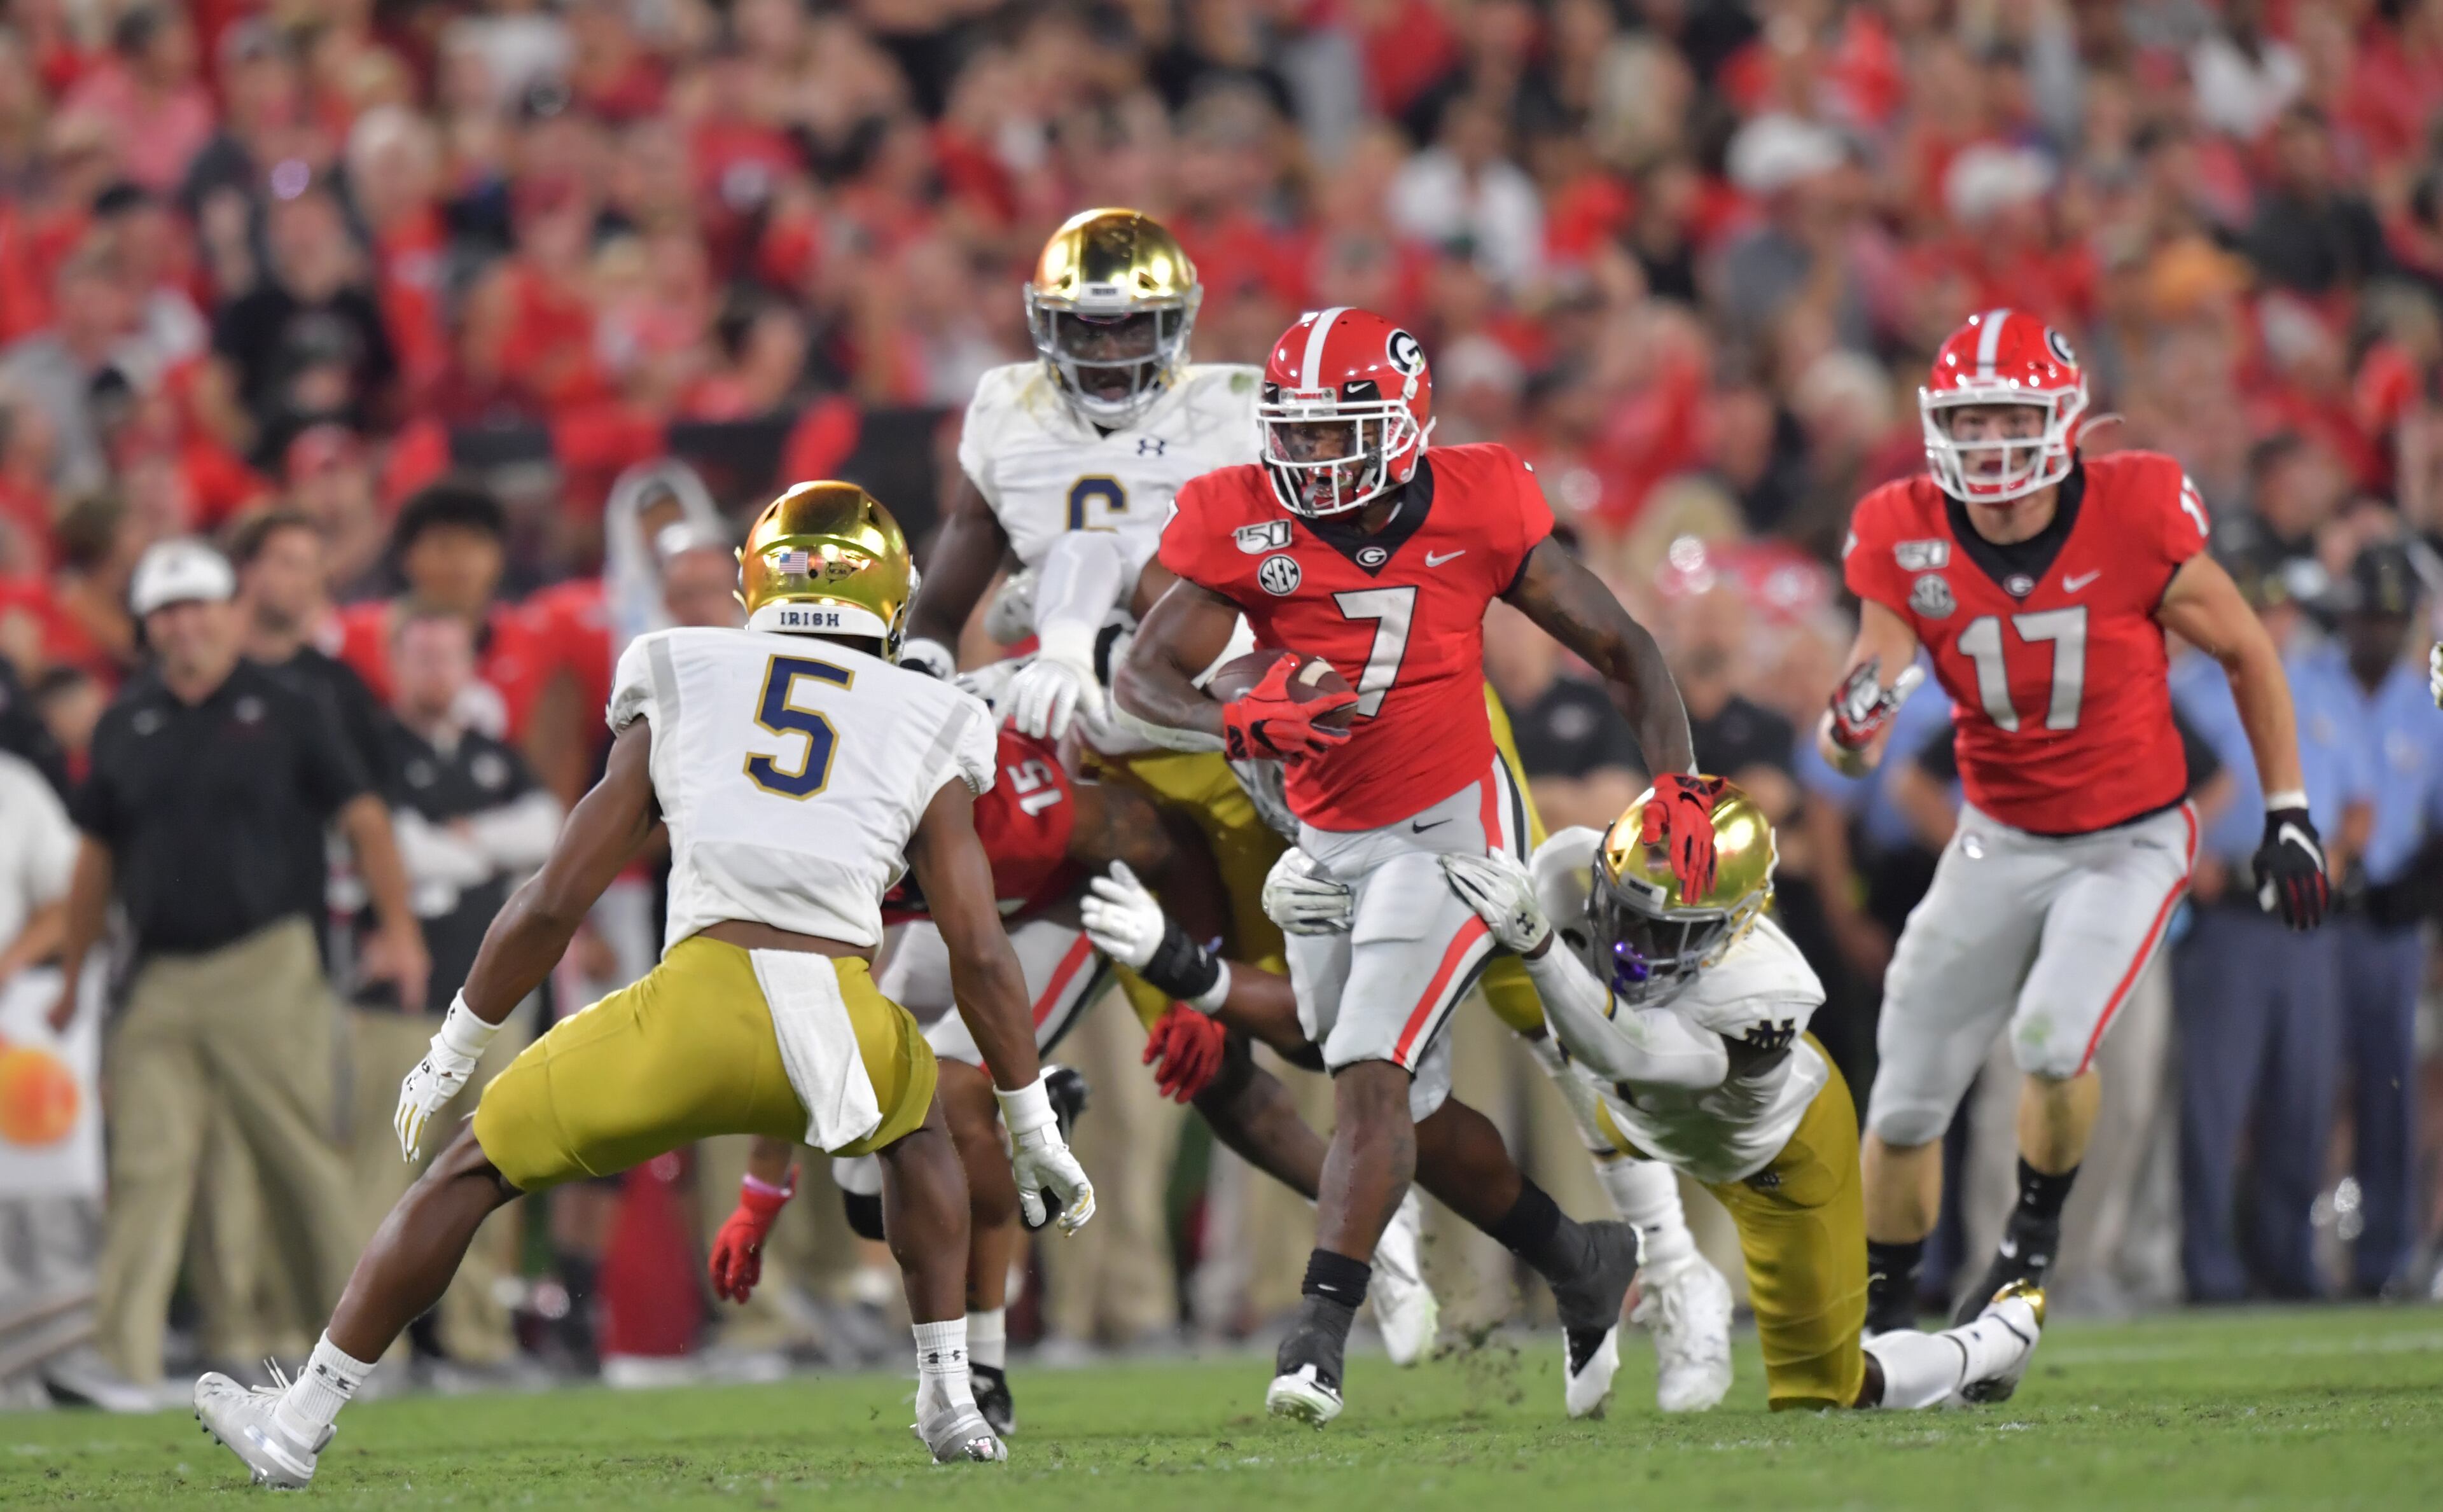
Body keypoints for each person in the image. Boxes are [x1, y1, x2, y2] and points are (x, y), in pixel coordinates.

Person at [191, 483, 1093, 1484]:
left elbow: (553, 898)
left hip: (690, 1009)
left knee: (470, 1169)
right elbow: (977, 947)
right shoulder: (936, 713)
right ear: (890, 597)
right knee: (918, 1134)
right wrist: (1030, 1123)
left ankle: (302, 1418)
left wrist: (454, 1045)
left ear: (757, 582)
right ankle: (951, 1399)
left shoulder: (682, 665)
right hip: (839, 1016)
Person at [1117, 307, 1712, 1426]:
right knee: (1407, 1110)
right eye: (1294, 433)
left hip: (1452, 824)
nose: (1312, 459)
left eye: (1340, 434)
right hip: (1327, 837)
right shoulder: (1241, 514)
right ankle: (1579, 1253)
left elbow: (1624, 646)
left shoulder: (1478, 496)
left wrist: (1677, 783)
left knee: (1370, 1067)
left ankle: (1316, 1341)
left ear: (1403, 427)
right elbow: (1141, 680)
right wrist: (1235, 706)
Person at [711, 716, 1440, 1436]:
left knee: (949, 1101)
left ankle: (984, 1369)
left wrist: (1192, 977)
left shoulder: (1019, 805)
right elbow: (807, 1019)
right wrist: (758, 1199)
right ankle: (1019, 1128)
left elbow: (1164, 843)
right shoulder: (822, 838)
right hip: (946, 925)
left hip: (1055, 909)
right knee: (872, 1199)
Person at [1823, 310, 2330, 1345]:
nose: (1990, 441)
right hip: (1995, 836)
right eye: (1969, 420)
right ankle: (1883, 1323)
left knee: (2054, 1039)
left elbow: (2246, 650)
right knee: (1908, 1098)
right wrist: (1848, 728)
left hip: (2128, 836)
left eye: (2012, 416)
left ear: (2063, 421)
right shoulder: (1898, 525)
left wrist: (2288, 810)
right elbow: (1863, 704)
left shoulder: (2135, 502)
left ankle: (2028, 1250)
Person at [1433, 783, 2046, 1410]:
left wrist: (1538, 943)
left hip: (1771, 1154)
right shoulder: (1568, 872)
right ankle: (1679, 1276)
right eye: (1624, 913)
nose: (1631, 947)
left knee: (1829, 1393)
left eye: (1664, 933)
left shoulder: (1764, 993)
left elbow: (1631, 1051)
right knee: (1544, 1031)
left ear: (1733, 925)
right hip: (1640, 1116)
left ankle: (1996, 1339)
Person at [47, 539, 428, 1387]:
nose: (186, 624)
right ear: (148, 628)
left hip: (269, 962)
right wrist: (77, 978)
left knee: (297, 1157)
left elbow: (364, 818)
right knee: (147, 1164)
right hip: (158, 976)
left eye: (199, 605)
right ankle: (123, 1362)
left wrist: (398, 927)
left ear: (230, 610)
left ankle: (364, 1352)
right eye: (167, 611)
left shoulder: (289, 705)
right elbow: (93, 862)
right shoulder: (124, 721)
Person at [345, 606, 560, 1366]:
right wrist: (486, 852)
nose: (436, 669)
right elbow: (395, 850)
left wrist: (460, 847)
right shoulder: (369, 747)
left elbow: (550, 830)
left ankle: (476, 1341)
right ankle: (370, 1353)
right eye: (422, 654)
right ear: (394, 660)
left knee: (488, 1172)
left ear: (471, 665)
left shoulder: (494, 753)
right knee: (383, 1171)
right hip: (402, 1000)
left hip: (491, 1000)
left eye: (450, 654)